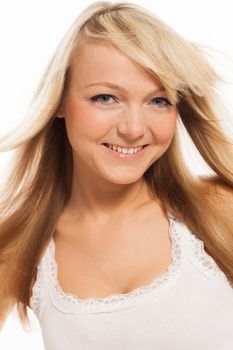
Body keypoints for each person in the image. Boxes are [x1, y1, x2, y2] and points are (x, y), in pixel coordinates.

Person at [1, 1, 233, 348]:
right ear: (60, 102)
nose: (133, 129)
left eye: (158, 101)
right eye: (106, 97)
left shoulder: (219, 210)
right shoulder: (20, 247)